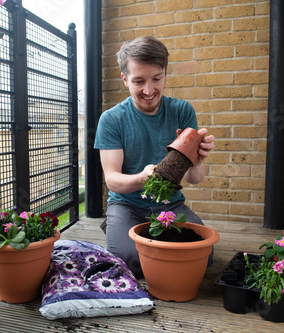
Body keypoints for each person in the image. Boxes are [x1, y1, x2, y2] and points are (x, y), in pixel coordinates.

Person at [94, 36, 216, 275]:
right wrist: (142, 178)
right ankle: (117, 226)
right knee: (130, 259)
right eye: (139, 81)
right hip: (126, 205)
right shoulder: (111, 119)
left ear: (165, 75)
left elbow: (194, 178)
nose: (149, 91)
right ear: (124, 79)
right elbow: (112, 180)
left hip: (170, 204)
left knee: (203, 256)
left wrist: (197, 160)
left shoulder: (182, 111)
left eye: (156, 79)